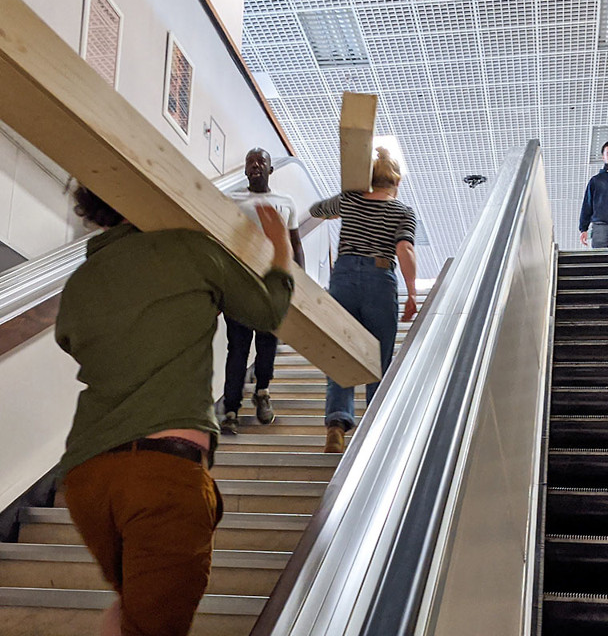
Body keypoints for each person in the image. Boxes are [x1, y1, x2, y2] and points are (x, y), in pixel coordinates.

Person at [55, 185, 294, 636]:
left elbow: (70, 340)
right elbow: (266, 311)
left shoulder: (79, 282)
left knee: (133, 614)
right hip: (162, 477)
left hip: (86, 477)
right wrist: (281, 249)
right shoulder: (189, 248)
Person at [309, 146, 418, 453]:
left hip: (343, 278)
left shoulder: (351, 200)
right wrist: (411, 291)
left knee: (341, 353)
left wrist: (344, 203)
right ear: (396, 182)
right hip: (379, 279)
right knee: (378, 358)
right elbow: (405, 249)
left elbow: (317, 210)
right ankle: (374, 427)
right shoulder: (403, 211)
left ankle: (336, 426)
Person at [221, 148, 305, 434]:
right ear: (245, 170)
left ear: (271, 169)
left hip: (272, 287)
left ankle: (262, 392)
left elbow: (295, 245)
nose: (255, 165)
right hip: (239, 286)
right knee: (237, 349)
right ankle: (230, 409)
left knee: (267, 343)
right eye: (250, 162)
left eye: (261, 162)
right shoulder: (232, 200)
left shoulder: (285, 202)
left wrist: (296, 287)